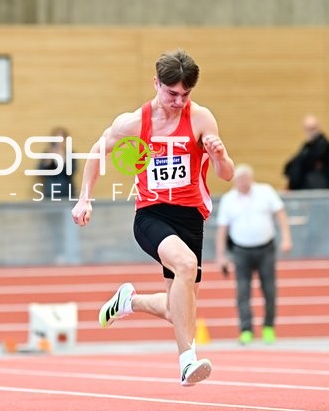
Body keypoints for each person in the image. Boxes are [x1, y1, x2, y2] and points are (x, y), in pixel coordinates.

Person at [72, 48, 234, 387]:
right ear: (156, 83)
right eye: (171, 93)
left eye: (185, 95)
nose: (178, 101)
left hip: (191, 216)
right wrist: (85, 199)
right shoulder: (135, 122)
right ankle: (187, 361)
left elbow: (227, 174)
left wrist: (218, 156)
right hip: (151, 214)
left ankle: (129, 301)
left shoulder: (202, 118)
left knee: (182, 311)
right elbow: (98, 152)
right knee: (186, 266)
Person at [214, 164, 292, 345]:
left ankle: (268, 327)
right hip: (241, 250)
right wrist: (221, 256)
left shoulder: (265, 192)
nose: (242, 183)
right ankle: (246, 329)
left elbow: (280, 214)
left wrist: (286, 238)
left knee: (269, 289)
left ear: (251, 179)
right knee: (242, 291)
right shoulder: (229, 199)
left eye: (245, 180)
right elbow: (222, 229)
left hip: (266, 248)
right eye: (239, 181)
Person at [283, 114, 329, 190]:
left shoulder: (323, 144)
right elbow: (292, 164)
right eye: (308, 129)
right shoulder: (306, 146)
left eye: (313, 129)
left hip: (319, 188)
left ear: (318, 128)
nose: (310, 132)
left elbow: (306, 161)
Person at [36, 127, 75, 201]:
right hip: (50, 192)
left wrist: (63, 157)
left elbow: (72, 171)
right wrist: (49, 159)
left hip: (66, 192)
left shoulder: (70, 154)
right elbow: (40, 171)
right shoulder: (48, 153)